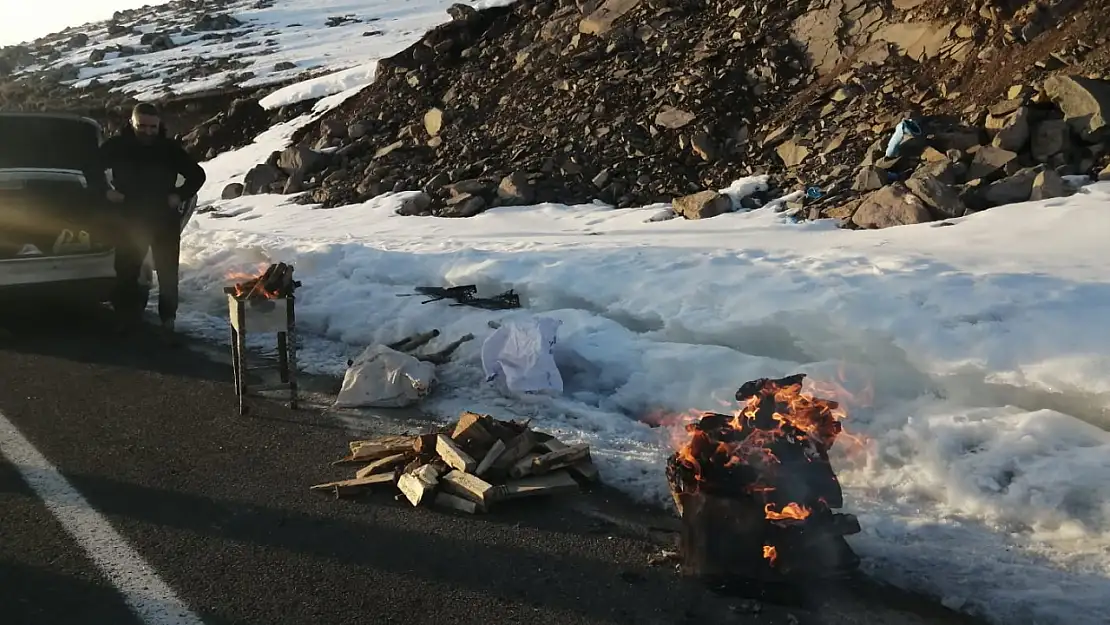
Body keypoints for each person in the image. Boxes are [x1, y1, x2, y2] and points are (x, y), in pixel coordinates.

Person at [97, 102, 206, 338]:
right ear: (132, 123)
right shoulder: (117, 146)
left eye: (152, 127)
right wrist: (106, 191)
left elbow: (197, 175)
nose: (148, 131)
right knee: (126, 271)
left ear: (159, 126)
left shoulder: (168, 149)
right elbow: (90, 168)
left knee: (167, 273)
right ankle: (126, 319)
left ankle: (168, 321)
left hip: (163, 220)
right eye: (142, 126)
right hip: (129, 218)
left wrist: (179, 195)